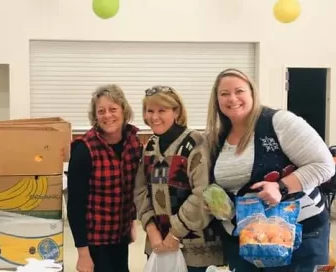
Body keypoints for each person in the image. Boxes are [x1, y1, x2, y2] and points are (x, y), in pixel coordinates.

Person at [205, 68, 335, 272]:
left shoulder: (278, 122)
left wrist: (281, 187)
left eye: (239, 91)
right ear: (217, 100)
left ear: (252, 93)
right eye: (224, 94)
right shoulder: (218, 137)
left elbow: (324, 165)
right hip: (246, 240)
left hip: (295, 237)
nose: (232, 98)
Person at [134, 85, 223, 272]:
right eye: (150, 111)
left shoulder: (196, 143)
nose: (154, 117)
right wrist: (152, 231)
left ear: (176, 111)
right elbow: (140, 190)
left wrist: (174, 234)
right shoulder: (150, 145)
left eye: (162, 110)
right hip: (158, 244)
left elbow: (202, 193)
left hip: (196, 251)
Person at [66, 84, 143, 272]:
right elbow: (75, 205)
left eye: (113, 109)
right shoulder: (84, 149)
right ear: (95, 116)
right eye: (101, 111)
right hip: (95, 241)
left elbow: (131, 188)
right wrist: (83, 254)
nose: (108, 116)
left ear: (124, 111)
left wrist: (132, 222)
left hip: (120, 236)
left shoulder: (133, 143)